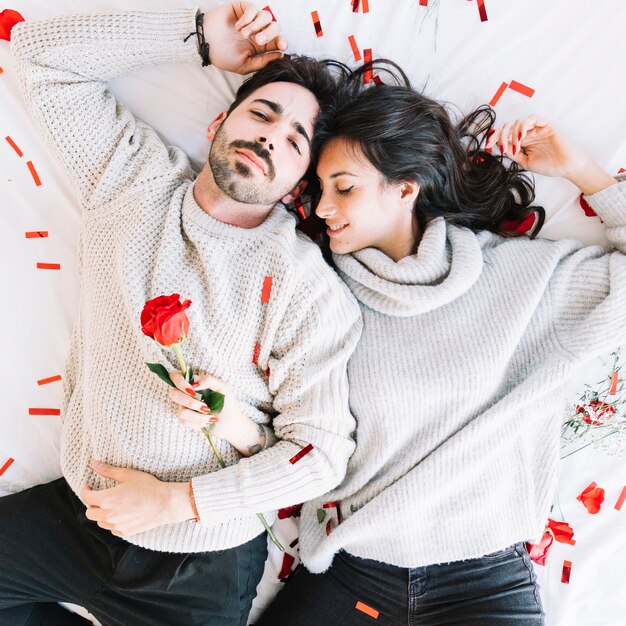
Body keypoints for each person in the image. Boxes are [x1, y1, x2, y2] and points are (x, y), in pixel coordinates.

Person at [0, 4, 361, 625]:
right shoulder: (131, 179)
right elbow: (37, 53)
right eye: (262, 114)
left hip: (201, 560)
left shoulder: (308, 289)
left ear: (302, 182)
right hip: (81, 514)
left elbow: (321, 454)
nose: (272, 136)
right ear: (221, 120)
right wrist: (200, 38)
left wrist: (180, 503)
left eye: (295, 141)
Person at [244, 66, 624, 624]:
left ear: (406, 186)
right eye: (321, 190)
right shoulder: (315, 290)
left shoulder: (520, 278)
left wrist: (579, 170)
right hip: (356, 570)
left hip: (483, 578)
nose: (324, 209)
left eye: (344, 187)